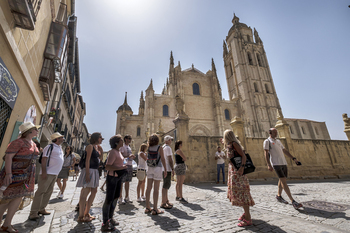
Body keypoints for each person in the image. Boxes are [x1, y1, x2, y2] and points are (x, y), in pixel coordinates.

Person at [0, 122, 40, 233]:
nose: (37, 130)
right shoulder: (18, 142)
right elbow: (8, 158)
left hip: (26, 176)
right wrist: (8, 174)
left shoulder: (33, 143)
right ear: (30, 131)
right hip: (14, 174)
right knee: (6, 200)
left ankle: (7, 224)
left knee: (17, 199)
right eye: (35, 129)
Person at [263, 128, 303, 209]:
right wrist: (268, 164)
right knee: (284, 181)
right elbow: (266, 153)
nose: (276, 133)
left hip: (283, 163)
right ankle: (293, 201)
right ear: (270, 132)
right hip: (276, 163)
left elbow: (284, 150)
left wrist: (294, 158)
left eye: (276, 132)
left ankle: (279, 196)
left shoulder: (278, 141)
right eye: (274, 132)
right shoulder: (267, 141)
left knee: (281, 179)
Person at [29, 132, 65, 220]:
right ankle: (33, 212)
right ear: (56, 139)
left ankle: (42, 208)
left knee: (49, 192)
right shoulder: (50, 147)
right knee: (41, 192)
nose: (63, 139)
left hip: (54, 174)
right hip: (48, 173)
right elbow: (44, 159)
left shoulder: (59, 148)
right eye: (61, 137)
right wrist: (44, 172)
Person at [223, 129, 255, 227]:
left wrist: (241, 168)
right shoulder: (229, 145)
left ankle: (248, 219)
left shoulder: (234, 144)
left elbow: (243, 156)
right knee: (239, 193)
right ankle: (246, 213)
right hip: (233, 171)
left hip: (238, 172)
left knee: (242, 193)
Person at [101, 135, 127, 232]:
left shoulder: (119, 152)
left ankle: (110, 218)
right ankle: (105, 223)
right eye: (121, 140)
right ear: (116, 142)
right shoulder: (112, 152)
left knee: (115, 198)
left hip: (118, 177)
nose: (122, 141)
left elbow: (118, 163)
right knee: (109, 199)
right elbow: (107, 167)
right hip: (112, 177)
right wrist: (121, 168)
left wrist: (123, 166)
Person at [76, 132, 103, 222]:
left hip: (95, 171)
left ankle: (86, 212)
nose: (101, 139)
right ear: (96, 138)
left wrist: (101, 151)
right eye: (100, 138)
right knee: (85, 192)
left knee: (94, 191)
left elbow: (100, 160)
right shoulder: (90, 146)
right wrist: (87, 174)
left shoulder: (96, 148)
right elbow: (87, 160)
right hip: (89, 171)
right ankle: (81, 216)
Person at [144, 134, 167, 215]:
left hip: (149, 167)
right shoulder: (159, 147)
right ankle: (155, 209)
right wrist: (165, 169)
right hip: (157, 168)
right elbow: (163, 159)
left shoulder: (149, 147)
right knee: (156, 189)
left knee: (148, 187)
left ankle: (147, 207)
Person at [118, 135, 136, 204]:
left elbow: (128, 157)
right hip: (124, 165)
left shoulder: (129, 147)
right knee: (122, 182)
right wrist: (128, 156)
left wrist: (131, 157)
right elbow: (121, 156)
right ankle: (120, 198)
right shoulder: (122, 147)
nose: (130, 140)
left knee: (128, 181)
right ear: (125, 139)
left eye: (130, 138)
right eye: (129, 138)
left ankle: (127, 197)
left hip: (130, 165)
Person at [161, 135, 174, 209]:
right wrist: (172, 169)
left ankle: (166, 200)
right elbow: (170, 159)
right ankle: (163, 202)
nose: (171, 141)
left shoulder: (163, 147)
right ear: (167, 140)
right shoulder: (168, 148)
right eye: (170, 140)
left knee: (166, 185)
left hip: (163, 168)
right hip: (167, 169)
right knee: (166, 185)